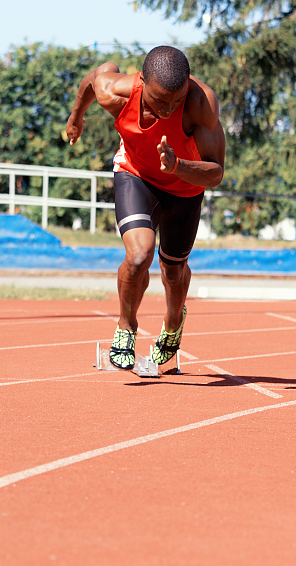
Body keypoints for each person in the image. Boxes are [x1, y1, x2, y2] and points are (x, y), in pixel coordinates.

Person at [65, 46, 225, 370]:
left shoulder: (200, 104)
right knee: (139, 256)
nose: (167, 110)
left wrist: (177, 165)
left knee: (173, 270)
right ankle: (126, 325)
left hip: (184, 187)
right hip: (136, 173)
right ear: (142, 82)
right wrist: (75, 117)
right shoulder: (116, 92)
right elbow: (92, 80)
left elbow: (216, 173)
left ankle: (172, 322)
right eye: (158, 101)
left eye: (174, 102)